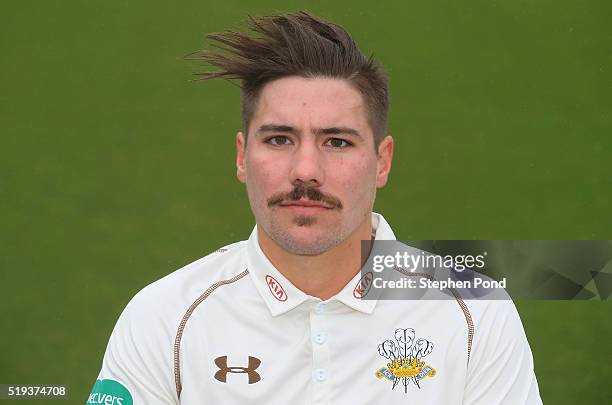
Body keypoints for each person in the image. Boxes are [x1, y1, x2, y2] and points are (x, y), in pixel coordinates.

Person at [87, 11, 542, 404]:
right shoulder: (164, 319)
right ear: (242, 156)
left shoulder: (475, 314)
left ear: (382, 162)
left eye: (337, 141)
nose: (306, 170)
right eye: (280, 139)